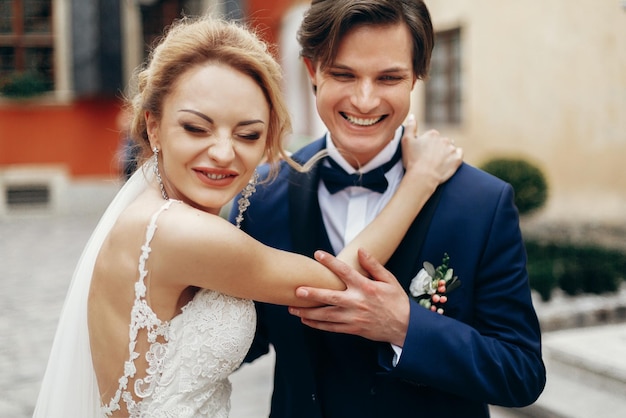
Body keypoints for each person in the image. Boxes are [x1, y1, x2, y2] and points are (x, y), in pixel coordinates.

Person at [32, 15, 462, 418]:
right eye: (197, 128)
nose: (223, 152)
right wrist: (419, 180)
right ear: (154, 126)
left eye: (248, 134)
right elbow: (334, 284)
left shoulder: (149, 206)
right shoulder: (178, 231)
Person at [230, 1, 546, 417]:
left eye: (389, 78)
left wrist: (406, 326)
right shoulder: (260, 197)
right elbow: (236, 343)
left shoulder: (482, 203)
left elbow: (520, 373)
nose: (364, 100)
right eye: (344, 74)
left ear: (416, 77)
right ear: (313, 71)